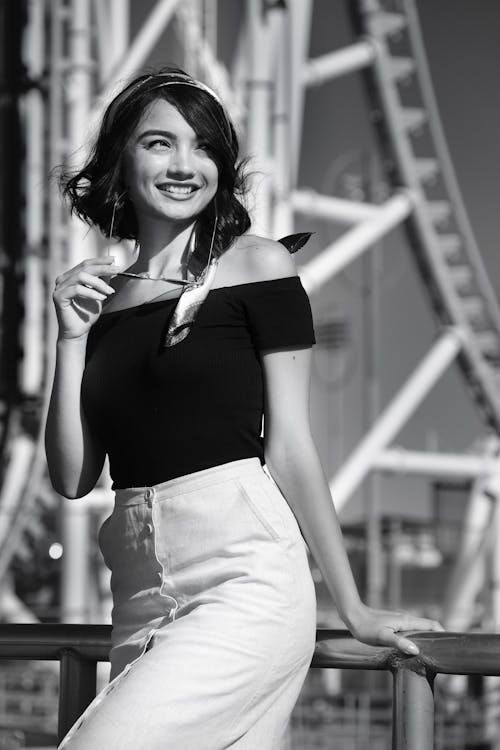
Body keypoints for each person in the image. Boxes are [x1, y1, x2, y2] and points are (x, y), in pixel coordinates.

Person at [45, 67, 442, 749]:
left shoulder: (257, 265)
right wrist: (69, 337)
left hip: (244, 576)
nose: (184, 164)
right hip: (138, 591)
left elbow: (289, 446)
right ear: (120, 158)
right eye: (159, 144)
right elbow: (75, 477)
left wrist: (352, 605)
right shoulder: (102, 303)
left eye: (203, 147)